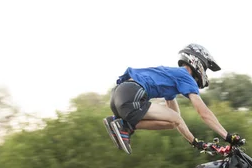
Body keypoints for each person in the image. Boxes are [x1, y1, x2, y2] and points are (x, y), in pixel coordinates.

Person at [103, 43, 244, 155]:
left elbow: (177, 120)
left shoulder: (173, 78)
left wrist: (195, 142)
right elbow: (204, 113)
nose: (204, 73)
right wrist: (227, 136)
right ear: (197, 61)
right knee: (174, 119)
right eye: (205, 68)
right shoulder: (185, 76)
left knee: (172, 122)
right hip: (132, 95)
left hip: (119, 96)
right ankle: (125, 126)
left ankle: (120, 123)